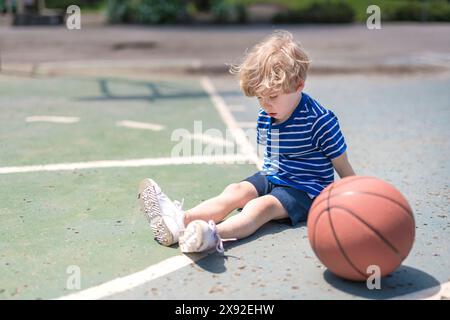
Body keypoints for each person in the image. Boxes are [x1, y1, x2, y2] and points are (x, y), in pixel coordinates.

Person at [138, 30, 356, 254]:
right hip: (274, 174)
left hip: (306, 189)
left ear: (299, 85)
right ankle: (180, 222)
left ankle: (211, 235)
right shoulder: (267, 115)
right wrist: (260, 184)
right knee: (236, 190)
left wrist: (358, 198)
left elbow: (342, 165)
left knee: (260, 206)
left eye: (272, 97)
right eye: (260, 97)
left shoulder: (320, 120)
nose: (265, 104)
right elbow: (272, 156)